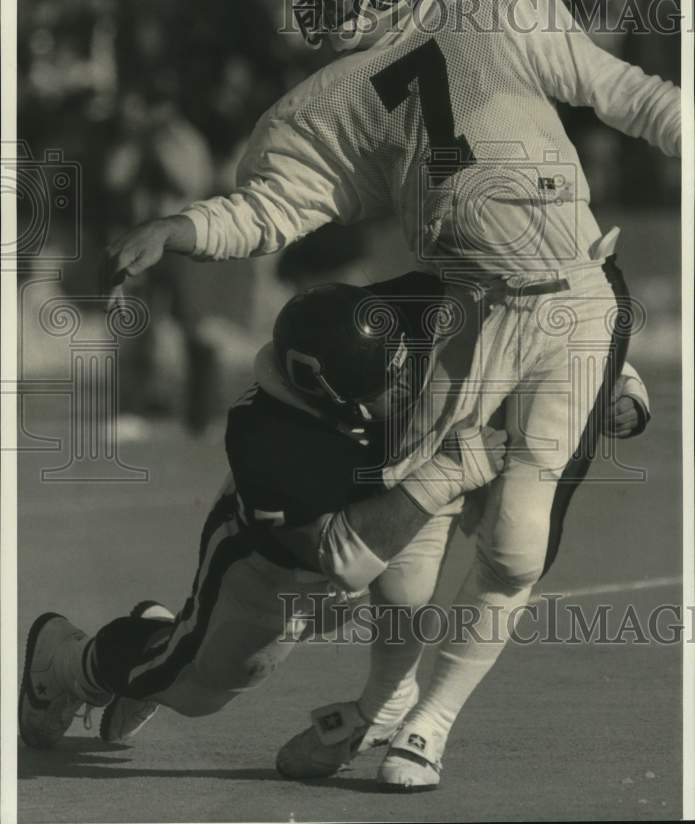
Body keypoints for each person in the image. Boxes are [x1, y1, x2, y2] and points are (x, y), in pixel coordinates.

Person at [99, 0, 674, 786]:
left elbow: (627, 95)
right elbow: (274, 206)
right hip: (465, 313)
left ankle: (427, 724)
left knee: (517, 538)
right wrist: (189, 225)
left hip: (572, 301)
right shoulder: (322, 101)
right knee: (405, 552)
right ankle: (382, 699)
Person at [19, 274, 648, 779]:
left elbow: (523, 312)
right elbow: (343, 557)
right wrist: (446, 474)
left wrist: (609, 373)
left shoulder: (400, 312)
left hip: (382, 516)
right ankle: (69, 661)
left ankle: (388, 706)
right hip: (275, 564)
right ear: (324, 393)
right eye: (385, 383)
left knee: (411, 592)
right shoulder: (268, 437)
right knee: (196, 690)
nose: (406, 382)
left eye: (403, 364)